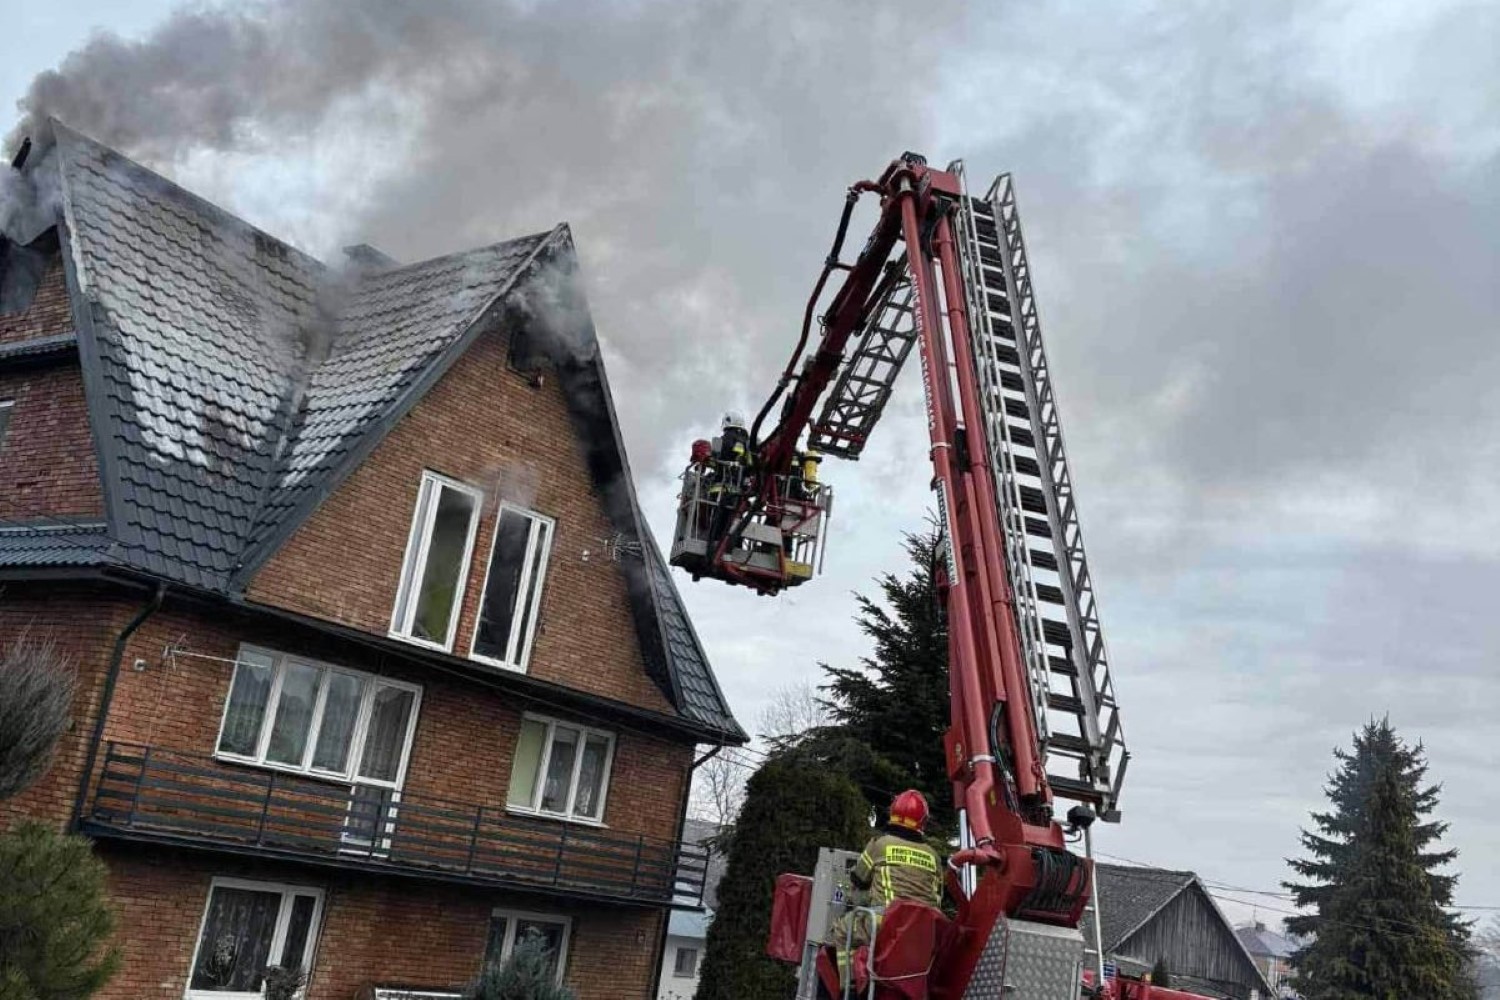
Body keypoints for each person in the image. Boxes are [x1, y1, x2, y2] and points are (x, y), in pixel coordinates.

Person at [825, 790, 943, 991]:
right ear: (922, 821)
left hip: (884, 923)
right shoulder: (933, 856)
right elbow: (937, 897)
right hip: (922, 932)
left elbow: (858, 879)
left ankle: (850, 987)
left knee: (842, 930)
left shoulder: (880, 845)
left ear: (893, 814)